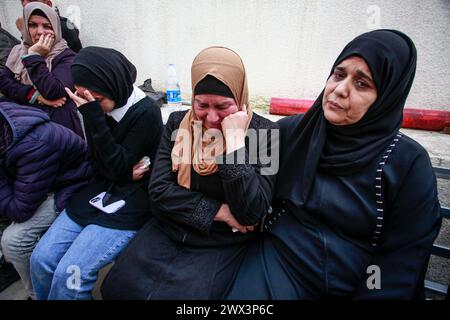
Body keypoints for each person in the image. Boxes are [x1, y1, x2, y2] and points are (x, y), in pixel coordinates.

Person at [226, 29, 442, 300]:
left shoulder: (408, 164)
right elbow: (245, 196)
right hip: (279, 263)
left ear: (387, 97)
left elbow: (399, 263)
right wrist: (234, 144)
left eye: (362, 84)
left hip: (361, 278)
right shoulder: (288, 132)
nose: (339, 90)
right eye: (339, 75)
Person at [100, 46, 279, 300]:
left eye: (224, 106)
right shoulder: (177, 124)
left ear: (240, 99)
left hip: (221, 243)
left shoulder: (266, 134)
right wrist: (221, 211)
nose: (211, 117)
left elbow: (252, 212)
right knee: (118, 287)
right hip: (168, 229)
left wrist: (236, 144)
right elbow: (159, 191)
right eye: (201, 104)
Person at [29, 46, 164, 300]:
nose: (90, 105)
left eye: (97, 101)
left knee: (70, 276)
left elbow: (113, 164)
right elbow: (97, 161)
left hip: (130, 202)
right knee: (41, 260)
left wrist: (93, 119)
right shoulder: (92, 106)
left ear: (114, 87)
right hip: (98, 190)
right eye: (82, 97)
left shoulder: (146, 112)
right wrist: (121, 170)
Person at [0, 101, 92, 299]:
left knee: (14, 240)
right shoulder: (6, 120)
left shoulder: (34, 143)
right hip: (41, 183)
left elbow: (20, 210)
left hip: (72, 189)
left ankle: (40, 294)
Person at [0, 2, 83, 137]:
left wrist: (33, 57)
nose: (39, 32)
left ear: (56, 29)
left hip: (57, 128)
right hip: (23, 123)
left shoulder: (67, 56)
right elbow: (4, 82)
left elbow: (54, 91)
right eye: (32, 25)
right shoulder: (18, 51)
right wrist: (34, 95)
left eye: (47, 26)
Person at [17, 0, 82, 53]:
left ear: (48, 4)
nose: (25, 4)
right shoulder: (15, 53)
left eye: (32, 0)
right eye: (22, 0)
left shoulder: (64, 28)